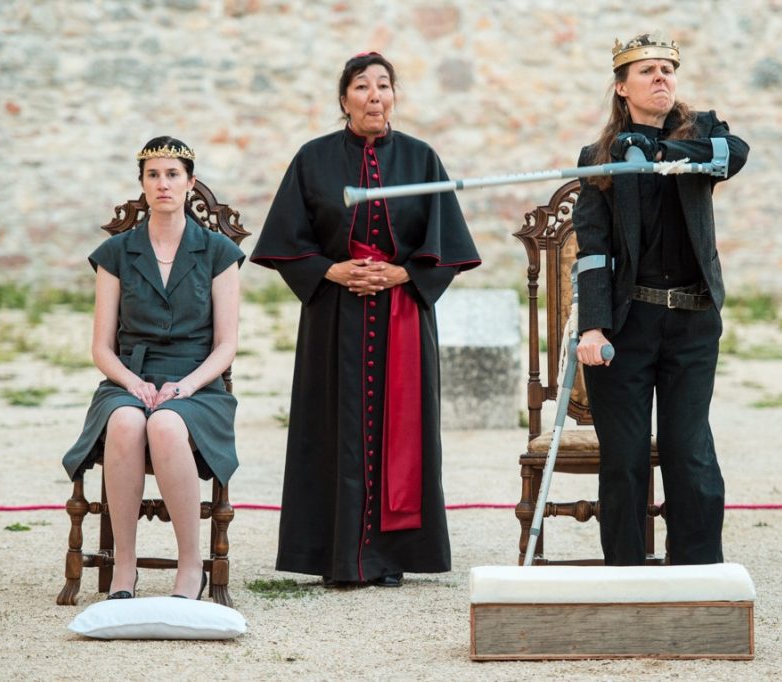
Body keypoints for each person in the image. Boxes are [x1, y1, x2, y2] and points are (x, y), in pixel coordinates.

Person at [251, 52, 481, 588]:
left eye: (383, 86)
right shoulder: (313, 159)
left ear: (395, 96)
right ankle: (335, 556)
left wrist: (402, 275)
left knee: (402, 431)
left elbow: (446, 242)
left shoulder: (423, 160)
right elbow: (287, 240)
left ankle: (389, 557)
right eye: (362, 86)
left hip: (403, 315)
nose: (374, 95)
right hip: (335, 315)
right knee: (333, 426)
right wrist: (332, 271)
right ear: (344, 99)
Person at [573, 34, 749, 565]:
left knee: (688, 450)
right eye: (646, 70)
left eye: (667, 69)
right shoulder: (599, 159)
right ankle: (624, 575)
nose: (661, 78)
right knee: (624, 458)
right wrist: (593, 328)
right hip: (628, 325)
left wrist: (661, 152)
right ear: (622, 88)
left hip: (693, 321)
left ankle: (697, 572)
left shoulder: (706, 135)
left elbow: (731, 155)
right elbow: (593, 251)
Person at [62, 136, 244, 599]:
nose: (163, 183)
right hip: (129, 376)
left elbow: (226, 346)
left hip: (197, 384)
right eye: (153, 175)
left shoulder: (219, 253)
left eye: (173, 174)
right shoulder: (117, 253)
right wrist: (132, 383)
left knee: (165, 426)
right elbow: (101, 347)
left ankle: (189, 566)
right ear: (142, 185)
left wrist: (185, 386)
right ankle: (124, 567)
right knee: (125, 421)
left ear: (190, 183)